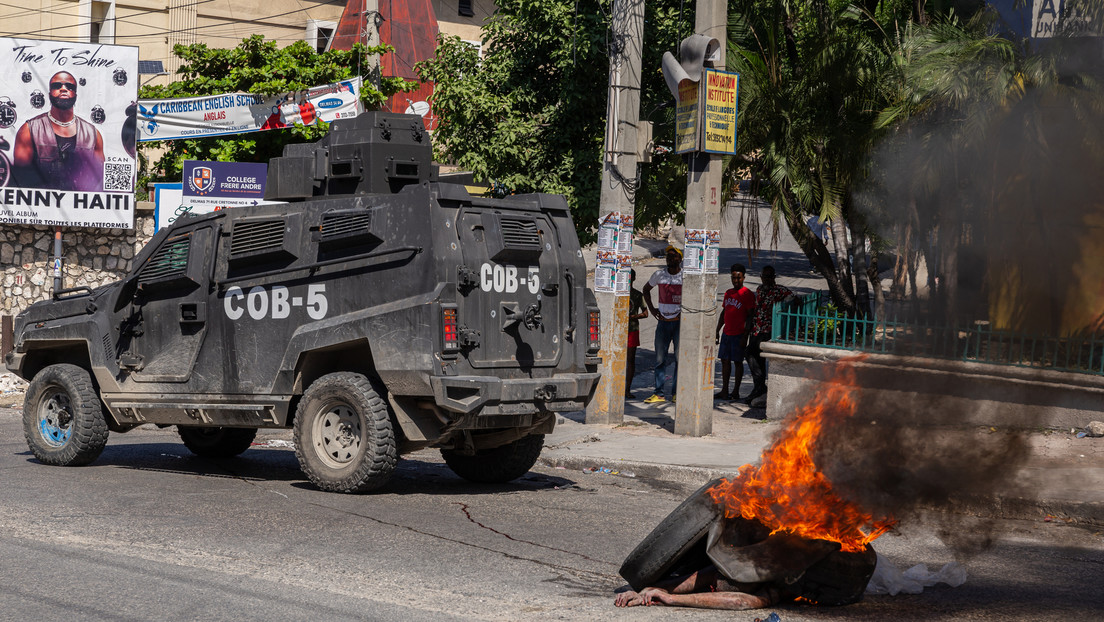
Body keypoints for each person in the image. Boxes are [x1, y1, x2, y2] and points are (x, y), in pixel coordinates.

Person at [13, 71, 105, 191]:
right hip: (42, 204)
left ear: (75, 94)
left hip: (79, 206)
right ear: (49, 93)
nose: (63, 89)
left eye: (69, 86)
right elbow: (20, 179)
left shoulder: (92, 134)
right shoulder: (29, 130)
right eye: (57, 86)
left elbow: (99, 179)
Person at [614, 563, 786, 610]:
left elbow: (740, 602)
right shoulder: (734, 564)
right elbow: (708, 576)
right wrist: (646, 591)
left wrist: (670, 599)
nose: (713, 589)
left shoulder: (778, 587)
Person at [744, 265, 793, 405]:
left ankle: (760, 387)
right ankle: (758, 387)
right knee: (753, 355)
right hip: (757, 328)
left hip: (768, 329)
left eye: (769, 277)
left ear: (773, 277)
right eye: (764, 276)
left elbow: (794, 299)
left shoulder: (780, 291)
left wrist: (783, 305)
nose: (766, 279)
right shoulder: (759, 290)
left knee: (750, 352)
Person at [642, 245, 683, 404]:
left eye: (673, 256)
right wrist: (652, 310)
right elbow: (646, 289)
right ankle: (659, 393)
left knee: (680, 359)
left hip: (679, 323)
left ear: (680, 259)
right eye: (668, 256)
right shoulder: (659, 275)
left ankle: (676, 393)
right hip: (663, 323)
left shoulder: (684, 277)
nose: (670, 259)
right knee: (660, 359)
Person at [714, 263, 755, 400]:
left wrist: (746, 335)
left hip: (739, 334)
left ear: (743, 278)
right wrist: (717, 330)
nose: (736, 280)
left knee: (737, 362)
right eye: (733, 278)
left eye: (738, 278)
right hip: (727, 333)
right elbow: (724, 312)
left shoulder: (747, 294)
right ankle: (724, 390)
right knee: (725, 361)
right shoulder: (728, 293)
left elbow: (750, 316)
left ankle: (735, 391)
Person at [626, 269, 649, 399]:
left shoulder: (637, 295)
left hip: (632, 330)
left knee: (630, 360)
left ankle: (627, 389)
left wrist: (633, 316)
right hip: (619, 330)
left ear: (634, 279)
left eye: (630, 277)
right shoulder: (618, 294)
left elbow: (646, 313)